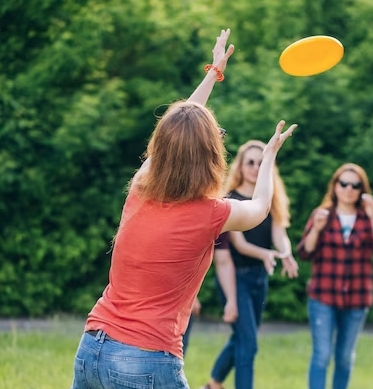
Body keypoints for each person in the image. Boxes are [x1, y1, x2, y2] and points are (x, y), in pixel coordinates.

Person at [70, 29, 298, 389]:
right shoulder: (211, 213)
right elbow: (259, 207)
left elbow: (176, 132)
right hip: (146, 359)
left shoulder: (140, 190)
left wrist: (213, 74)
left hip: (91, 350)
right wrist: (269, 158)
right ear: (210, 156)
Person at [202, 140, 300, 389]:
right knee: (249, 343)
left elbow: (280, 234)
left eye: (260, 162)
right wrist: (266, 254)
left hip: (259, 277)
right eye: (250, 162)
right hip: (236, 278)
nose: (256, 167)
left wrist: (285, 252)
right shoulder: (231, 200)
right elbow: (241, 244)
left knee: (243, 338)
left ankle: (213, 383)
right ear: (241, 167)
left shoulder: (271, 199)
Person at [297, 163, 373, 389]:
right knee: (322, 354)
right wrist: (317, 230)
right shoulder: (322, 215)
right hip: (323, 296)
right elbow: (304, 253)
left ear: (362, 190)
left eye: (355, 185)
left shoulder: (366, 217)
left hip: (357, 299)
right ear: (335, 186)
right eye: (344, 183)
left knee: (345, 357)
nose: (349, 189)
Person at [183, 234, 238, 356]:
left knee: (177, 355)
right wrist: (187, 296)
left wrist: (231, 300)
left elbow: (223, 261)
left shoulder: (217, 219)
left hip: (182, 300)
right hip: (157, 299)